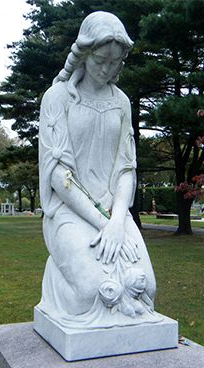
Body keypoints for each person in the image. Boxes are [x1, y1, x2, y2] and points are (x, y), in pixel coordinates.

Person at [36, 11, 160, 326]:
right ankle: (56, 282)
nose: (107, 69)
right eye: (100, 60)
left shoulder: (122, 102)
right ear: (84, 54)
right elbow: (58, 175)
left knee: (144, 290)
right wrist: (103, 225)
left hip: (114, 213)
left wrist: (118, 221)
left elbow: (126, 169)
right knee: (94, 293)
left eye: (115, 62)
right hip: (69, 213)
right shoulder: (57, 97)